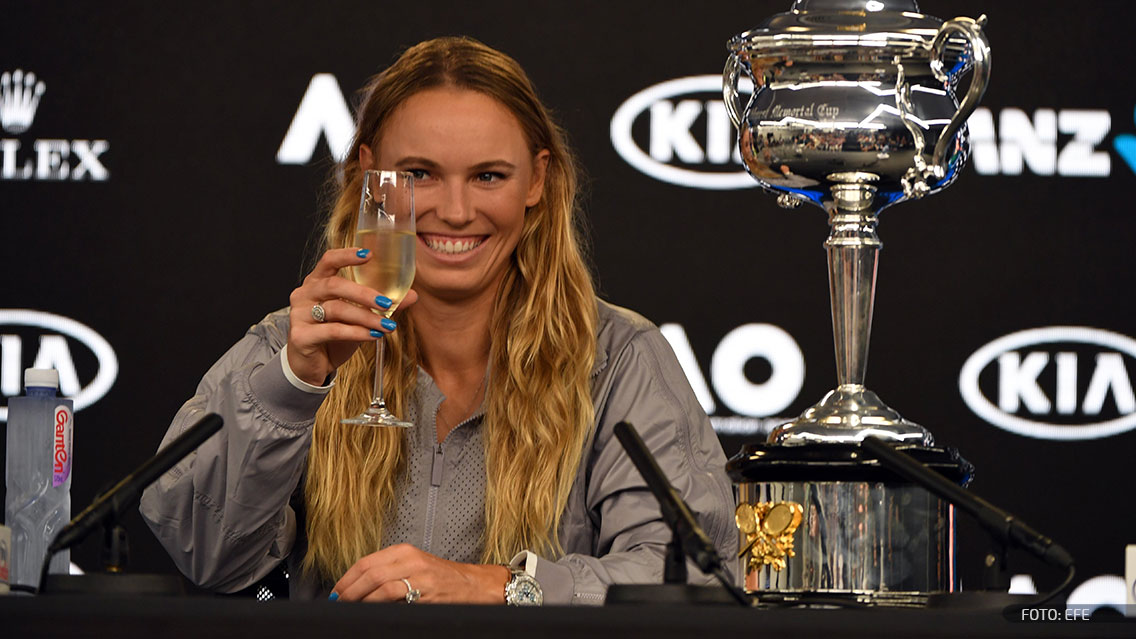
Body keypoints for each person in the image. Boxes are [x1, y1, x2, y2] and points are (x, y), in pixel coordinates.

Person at [140, 36, 736, 605]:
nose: (454, 212)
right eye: (419, 175)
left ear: (537, 180)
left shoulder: (619, 357)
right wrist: (294, 388)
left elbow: (692, 574)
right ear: (367, 175)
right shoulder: (295, 346)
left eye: (488, 176)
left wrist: (494, 588)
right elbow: (205, 554)